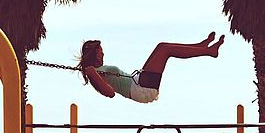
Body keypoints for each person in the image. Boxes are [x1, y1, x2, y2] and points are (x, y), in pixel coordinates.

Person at [78, 33, 224, 103]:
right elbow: (110, 93)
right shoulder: (94, 73)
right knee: (165, 50)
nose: (103, 53)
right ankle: (208, 51)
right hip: (141, 89)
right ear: (95, 54)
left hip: (139, 81)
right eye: (101, 50)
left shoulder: (98, 70)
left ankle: (200, 46)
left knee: (162, 46)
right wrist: (92, 74)